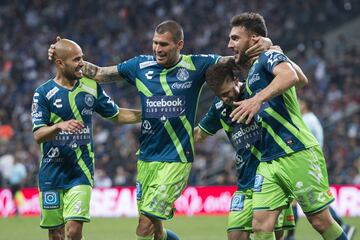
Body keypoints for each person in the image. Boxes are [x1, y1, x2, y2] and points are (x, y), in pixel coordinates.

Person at [48, 20, 273, 240]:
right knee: (153, 229)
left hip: (176, 159)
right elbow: (99, 73)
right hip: (146, 159)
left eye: (164, 44)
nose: (157, 48)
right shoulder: (139, 66)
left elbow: (235, 59)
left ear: (179, 44)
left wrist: (266, 44)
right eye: (155, 43)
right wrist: (63, 55)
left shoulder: (197, 65)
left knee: (144, 226)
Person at [213, 12, 348, 240]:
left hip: (296, 151)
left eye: (235, 38)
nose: (229, 44)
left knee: (320, 220)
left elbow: (294, 77)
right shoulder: (258, 66)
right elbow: (300, 76)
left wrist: (257, 98)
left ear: (254, 39)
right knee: (260, 226)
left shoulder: (267, 57)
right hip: (269, 159)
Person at [32, 39, 141, 240]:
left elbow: (117, 114)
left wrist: (148, 113)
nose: (82, 63)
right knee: (55, 234)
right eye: (76, 59)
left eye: (82, 57)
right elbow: (38, 135)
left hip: (80, 172)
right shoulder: (43, 93)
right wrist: (58, 126)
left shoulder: (91, 87)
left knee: (73, 232)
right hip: (51, 172)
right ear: (60, 63)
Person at [194, 63, 295, 240]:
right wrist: (170, 138)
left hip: (272, 178)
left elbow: (289, 80)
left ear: (235, 80)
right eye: (219, 95)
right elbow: (199, 134)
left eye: (226, 93)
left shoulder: (257, 90)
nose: (224, 98)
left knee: (272, 235)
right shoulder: (219, 107)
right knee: (235, 236)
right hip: (245, 180)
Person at [282, 99, 356, 240]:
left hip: (307, 163)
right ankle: (342, 225)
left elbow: (300, 140)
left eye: (300, 102)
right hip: (312, 162)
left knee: (302, 200)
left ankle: (291, 236)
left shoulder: (307, 120)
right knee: (315, 198)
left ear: (306, 105)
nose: (298, 104)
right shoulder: (313, 119)